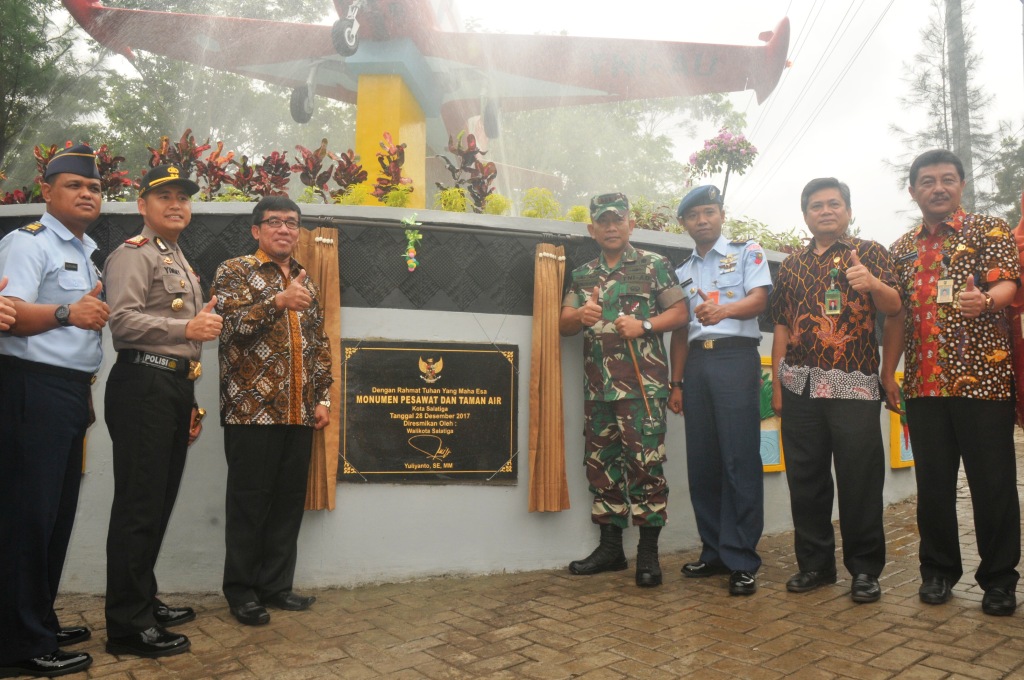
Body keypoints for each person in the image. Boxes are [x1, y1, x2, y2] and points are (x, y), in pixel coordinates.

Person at [881, 149, 1021, 617]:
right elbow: (897, 315)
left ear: (961, 184)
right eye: (927, 181)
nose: (937, 188)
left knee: (993, 485)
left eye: (946, 179)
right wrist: (888, 370)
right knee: (934, 486)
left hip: (984, 383)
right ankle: (938, 573)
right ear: (913, 191)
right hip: (924, 387)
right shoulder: (901, 248)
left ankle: (999, 580)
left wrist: (986, 300)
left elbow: (1010, 285)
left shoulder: (990, 229)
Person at [102, 164, 224, 657]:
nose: (176, 204)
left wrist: (188, 393)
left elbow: (186, 336)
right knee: (139, 505)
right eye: (164, 196)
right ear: (142, 205)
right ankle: (128, 627)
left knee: (156, 502)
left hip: (170, 387)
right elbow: (123, 321)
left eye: (183, 197)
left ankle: (142, 600)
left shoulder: (176, 257)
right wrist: (185, 330)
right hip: (143, 385)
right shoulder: (132, 255)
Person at [0, 144, 108, 679]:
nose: (87, 193)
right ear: (46, 191)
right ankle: (20, 643)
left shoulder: (86, 251)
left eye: (93, 187)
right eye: (74, 185)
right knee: (29, 517)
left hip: (66, 392)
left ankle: (37, 618)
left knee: (55, 516)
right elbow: (10, 313)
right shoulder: (28, 243)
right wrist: (68, 311)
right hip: (31, 390)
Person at [770, 178, 902, 604]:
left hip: (854, 385)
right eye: (816, 206)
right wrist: (776, 382)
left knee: (859, 480)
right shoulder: (790, 265)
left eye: (833, 204)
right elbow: (782, 324)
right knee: (805, 480)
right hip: (800, 387)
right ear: (805, 214)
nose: (825, 211)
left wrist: (873, 283)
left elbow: (896, 307)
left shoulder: (871, 252)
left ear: (847, 209)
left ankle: (865, 571)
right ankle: (815, 565)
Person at [212, 196, 331, 626]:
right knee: (249, 503)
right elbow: (232, 327)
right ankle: (241, 591)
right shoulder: (234, 270)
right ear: (256, 230)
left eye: (292, 223)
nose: (284, 229)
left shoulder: (307, 280)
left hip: (299, 413)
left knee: (286, 503)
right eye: (275, 222)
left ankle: (276, 586)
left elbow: (320, 344)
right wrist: (278, 302)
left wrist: (323, 399)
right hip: (251, 412)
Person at [559, 192, 687, 588]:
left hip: (642, 390)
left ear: (631, 223)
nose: (611, 226)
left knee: (646, 466)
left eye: (618, 219)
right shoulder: (582, 275)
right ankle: (611, 548)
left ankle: (648, 554)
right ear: (592, 228)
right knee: (601, 468)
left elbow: (681, 314)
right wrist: (580, 315)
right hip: (598, 392)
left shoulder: (654, 265)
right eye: (603, 220)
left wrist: (645, 325)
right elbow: (563, 323)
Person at [667, 185, 771, 596]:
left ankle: (742, 559)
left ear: (722, 215)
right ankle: (713, 552)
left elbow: (759, 300)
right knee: (704, 463)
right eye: (694, 216)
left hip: (734, 359)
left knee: (738, 460)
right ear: (685, 224)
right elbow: (679, 330)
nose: (702, 220)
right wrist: (676, 382)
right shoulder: (681, 272)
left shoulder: (747, 253)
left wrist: (724, 310)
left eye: (709, 212)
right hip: (698, 364)